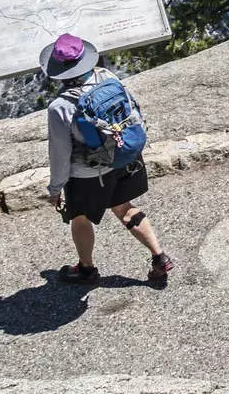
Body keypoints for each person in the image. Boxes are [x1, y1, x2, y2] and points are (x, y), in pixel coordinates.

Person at [41, 33, 173, 286]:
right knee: (125, 208)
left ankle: (86, 269)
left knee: (79, 217)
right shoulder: (107, 76)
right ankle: (159, 256)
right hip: (124, 157)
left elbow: (60, 152)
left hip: (88, 173)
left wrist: (55, 188)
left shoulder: (59, 106)